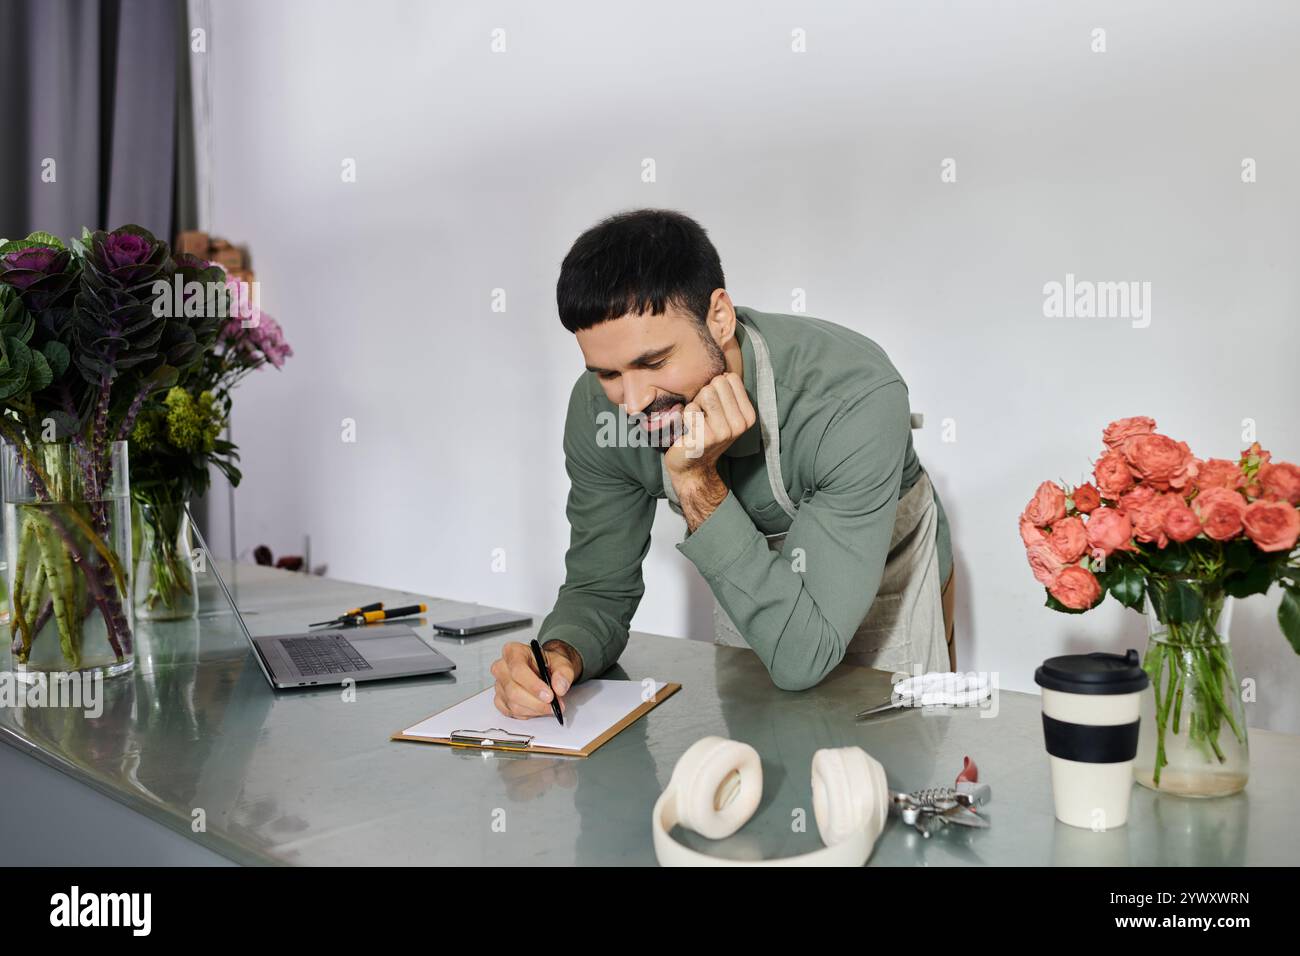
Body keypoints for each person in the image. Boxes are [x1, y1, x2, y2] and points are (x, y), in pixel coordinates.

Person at [490, 209, 954, 720]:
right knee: (767, 753)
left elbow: (803, 657)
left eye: (653, 362)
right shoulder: (599, 411)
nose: (632, 401)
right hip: (757, 575)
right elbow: (599, 589)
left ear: (719, 317)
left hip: (884, 570)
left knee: (879, 776)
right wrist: (560, 655)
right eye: (606, 372)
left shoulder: (852, 396)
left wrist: (694, 482)